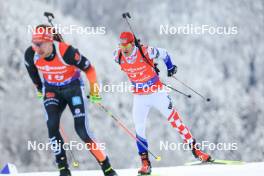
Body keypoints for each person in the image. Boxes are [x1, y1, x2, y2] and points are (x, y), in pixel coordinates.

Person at [24, 24, 118, 176]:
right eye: (34, 44)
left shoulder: (66, 51)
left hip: (73, 89)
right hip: (52, 91)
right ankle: (63, 169)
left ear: (50, 42)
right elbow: (32, 72)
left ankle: (107, 167)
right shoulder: (30, 55)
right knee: (52, 125)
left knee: (82, 130)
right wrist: (39, 89)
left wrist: (94, 90)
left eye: (40, 44)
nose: (37, 48)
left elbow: (90, 69)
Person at [113, 31, 212, 175]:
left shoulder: (146, 51)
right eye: (121, 45)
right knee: (139, 128)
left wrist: (170, 67)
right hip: (140, 97)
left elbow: (164, 53)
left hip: (157, 93)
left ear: (132, 44)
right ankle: (145, 163)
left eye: (126, 45)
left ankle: (196, 151)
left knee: (175, 121)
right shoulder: (117, 55)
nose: (124, 49)